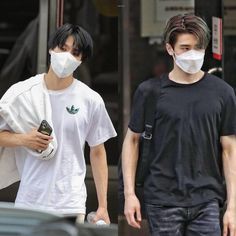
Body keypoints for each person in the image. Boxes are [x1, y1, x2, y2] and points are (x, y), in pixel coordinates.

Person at [122, 13, 236, 236]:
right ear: (169, 49)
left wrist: (232, 206)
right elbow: (132, 141)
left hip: (207, 200)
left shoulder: (223, 93)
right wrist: (129, 195)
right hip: (162, 200)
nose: (192, 54)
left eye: (198, 47)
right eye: (185, 48)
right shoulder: (150, 92)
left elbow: (230, 150)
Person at [0, 23, 117, 224]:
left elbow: (97, 152)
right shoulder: (23, 93)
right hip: (30, 200)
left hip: (70, 203)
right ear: (51, 49)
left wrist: (103, 206)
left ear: (82, 60)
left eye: (76, 52)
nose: (67, 56)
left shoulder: (90, 99)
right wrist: (24, 139)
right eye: (63, 48)